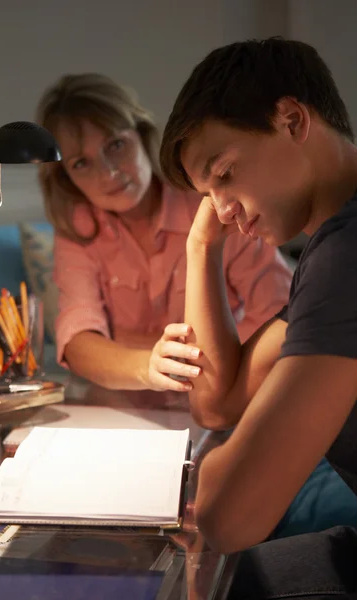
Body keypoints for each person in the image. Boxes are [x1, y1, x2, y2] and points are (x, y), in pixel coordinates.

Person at [159, 37, 357, 597]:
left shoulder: (347, 254)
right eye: (205, 196)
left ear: (292, 120)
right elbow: (217, 398)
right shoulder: (329, 250)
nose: (221, 210)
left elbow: (227, 516)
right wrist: (202, 245)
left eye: (223, 174)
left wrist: (221, 468)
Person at [35, 72, 291, 395]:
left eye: (115, 145)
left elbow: (281, 313)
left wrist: (210, 364)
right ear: (66, 178)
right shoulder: (78, 231)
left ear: (141, 136)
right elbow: (77, 340)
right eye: (81, 164)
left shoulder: (212, 202)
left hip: (233, 391)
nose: (109, 172)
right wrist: (149, 366)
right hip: (130, 409)